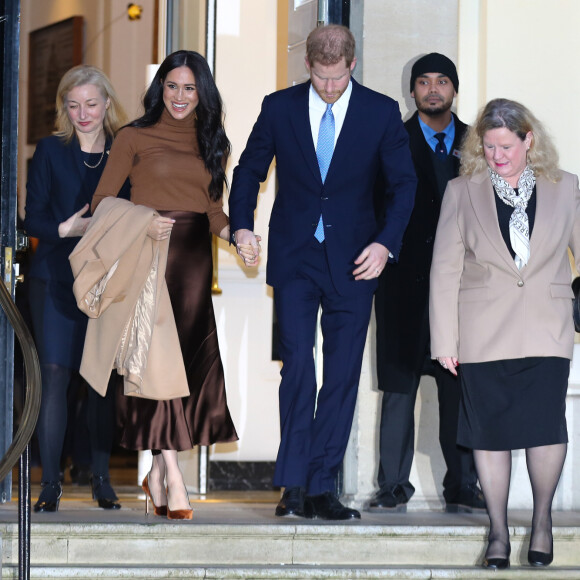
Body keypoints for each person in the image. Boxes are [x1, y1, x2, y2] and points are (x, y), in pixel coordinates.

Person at [228, 24, 417, 520]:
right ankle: (293, 484)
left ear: (351, 65)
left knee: (341, 375)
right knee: (297, 367)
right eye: (320, 78)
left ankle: (321, 486)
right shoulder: (279, 107)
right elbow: (249, 171)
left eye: (337, 78)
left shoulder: (380, 112)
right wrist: (241, 228)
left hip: (357, 260)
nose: (329, 88)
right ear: (307, 66)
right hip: (295, 257)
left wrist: (384, 244)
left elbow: (403, 185)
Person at [90, 50, 252, 520]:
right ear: (159, 88)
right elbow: (101, 202)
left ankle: (158, 475)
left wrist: (237, 237)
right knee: (154, 370)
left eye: (189, 88)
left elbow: (213, 211)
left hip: (196, 269)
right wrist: (143, 222)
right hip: (148, 262)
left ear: (202, 93)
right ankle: (173, 477)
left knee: (184, 372)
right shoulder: (133, 138)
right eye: (172, 86)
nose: (180, 97)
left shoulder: (212, 142)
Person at [430, 98, 580, 569]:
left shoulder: (567, 188)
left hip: (547, 329)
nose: (497, 156)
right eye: (489, 147)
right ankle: (497, 532)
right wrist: (444, 341)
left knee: (544, 427)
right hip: (482, 331)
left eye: (506, 146)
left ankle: (541, 521)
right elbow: (444, 270)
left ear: (528, 140)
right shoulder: (462, 190)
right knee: (488, 435)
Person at [370, 53, 485, 512]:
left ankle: (463, 486)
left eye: (442, 81)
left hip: (462, 292)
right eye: (423, 81)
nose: (433, 89)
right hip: (400, 287)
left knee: (460, 391)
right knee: (398, 390)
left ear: (454, 89)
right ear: (412, 90)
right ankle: (391, 485)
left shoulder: (481, 143)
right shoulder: (389, 139)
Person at [24, 64, 128, 512]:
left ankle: (101, 478)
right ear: (64, 108)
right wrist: (66, 227)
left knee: (101, 381)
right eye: (73, 105)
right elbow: (33, 219)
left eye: (91, 104)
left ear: (106, 104)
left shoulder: (125, 151)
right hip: (55, 279)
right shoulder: (49, 150)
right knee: (54, 377)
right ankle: (50, 483)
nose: (83, 114)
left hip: (106, 279)